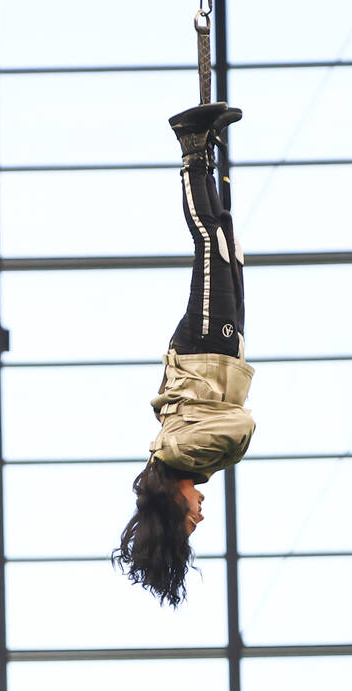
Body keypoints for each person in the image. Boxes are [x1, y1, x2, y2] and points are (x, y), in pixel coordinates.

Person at [115, 101, 255, 606]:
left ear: (174, 511)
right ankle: (205, 152)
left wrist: (229, 447)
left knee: (210, 244)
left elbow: (240, 427)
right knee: (228, 245)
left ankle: (191, 147)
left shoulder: (178, 454)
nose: (201, 514)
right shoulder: (192, 461)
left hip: (204, 351)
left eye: (191, 523)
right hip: (224, 356)